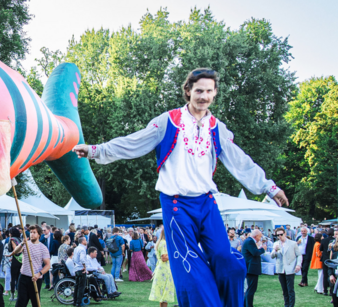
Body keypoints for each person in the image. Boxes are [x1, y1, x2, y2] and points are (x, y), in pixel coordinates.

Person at [73, 68, 288, 307]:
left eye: (208, 91)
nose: (203, 96)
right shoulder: (168, 121)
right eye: (199, 90)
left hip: (206, 202)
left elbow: (241, 162)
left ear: (215, 93)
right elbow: (134, 143)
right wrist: (96, 150)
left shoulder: (217, 128)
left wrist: (270, 188)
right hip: (176, 205)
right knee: (190, 269)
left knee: (226, 259)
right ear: (188, 91)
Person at [11, 225, 50, 307]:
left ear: (39, 234)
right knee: (20, 303)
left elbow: (48, 265)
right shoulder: (26, 244)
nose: (31, 234)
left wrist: (39, 274)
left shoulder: (43, 248)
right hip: (23, 277)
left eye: (34, 232)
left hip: (35, 279)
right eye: (31, 232)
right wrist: (22, 244)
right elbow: (16, 251)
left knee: (35, 303)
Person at [270, 227, 302, 307]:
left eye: (281, 234)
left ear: (285, 234)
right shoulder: (276, 244)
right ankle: (286, 305)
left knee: (290, 289)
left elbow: (299, 255)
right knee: (284, 290)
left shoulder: (292, 243)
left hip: (290, 268)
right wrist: (275, 250)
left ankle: (291, 305)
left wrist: (298, 265)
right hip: (281, 269)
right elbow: (272, 256)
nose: (280, 236)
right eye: (278, 235)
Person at [149, 228, 175, 307]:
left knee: (163, 294)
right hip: (165, 269)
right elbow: (164, 258)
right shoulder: (164, 243)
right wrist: (174, 256)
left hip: (162, 268)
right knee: (165, 292)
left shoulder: (160, 242)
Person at [242, 229, 266, 307]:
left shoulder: (249, 241)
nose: (260, 238)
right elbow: (255, 252)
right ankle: (248, 305)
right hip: (251, 268)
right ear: (256, 236)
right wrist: (263, 249)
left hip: (250, 268)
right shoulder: (249, 241)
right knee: (251, 289)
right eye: (260, 236)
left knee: (250, 288)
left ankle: (245, 305)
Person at [5, 227, 22, 302]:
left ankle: (12, 295)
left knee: (13, 278)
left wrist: (10, 255)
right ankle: (19, 295)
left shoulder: (12, 239)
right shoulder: (19, 239)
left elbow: (16, 250)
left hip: (16, 260)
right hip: (21, 260)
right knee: (19, 278)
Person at [39, 225, 58, 290]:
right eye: (43, 230)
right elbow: (39, 242)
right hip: (44, 255)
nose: (43, 231)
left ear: (49, 230)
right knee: (45, 269)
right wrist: (44, 238)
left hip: (52, 254)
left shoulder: (53, 235)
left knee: (52, 269)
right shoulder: (42, 236)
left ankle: (54, 283)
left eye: (45, 230)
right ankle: (47, 284)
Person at [321, 229, 335, 296]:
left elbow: (321, 249)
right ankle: (331, 290)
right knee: (332, 274)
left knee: (325, 274)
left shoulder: (324, 240)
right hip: (332, 259)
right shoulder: (334, 241)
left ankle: (325, 290)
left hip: (325, 259)